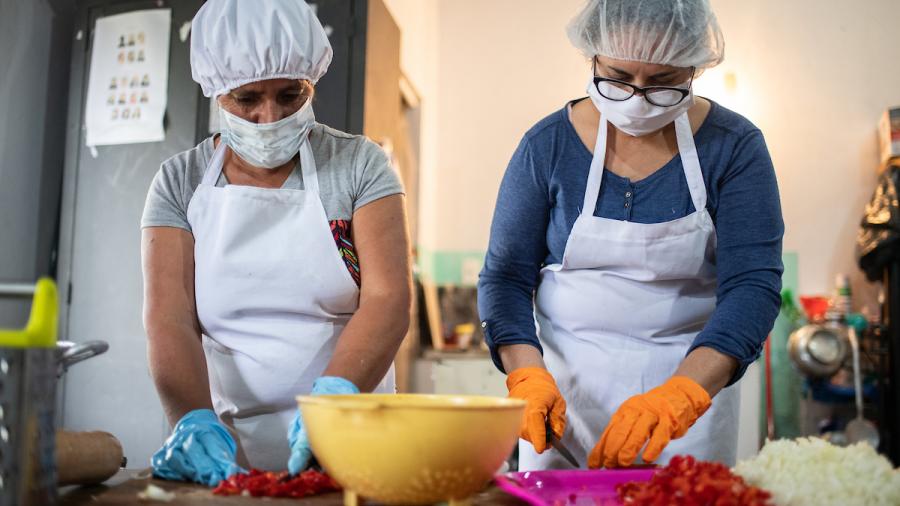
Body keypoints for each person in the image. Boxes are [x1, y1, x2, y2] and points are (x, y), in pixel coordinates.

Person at [478, 0, 783, 471]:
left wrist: (682, 395)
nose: (638, 97)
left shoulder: (734, 146)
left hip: (688, 414)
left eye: (662, 83)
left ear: (694, 69)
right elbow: (505, 278)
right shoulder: (547, 146)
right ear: (592, 57)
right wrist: (525, 375)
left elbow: (753, 288)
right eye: (618, 77)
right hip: (567, 405)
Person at [141, 0, 411, 485]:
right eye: (247, 98)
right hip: (228, 445)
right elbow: (170, 318)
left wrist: (333, 400)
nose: (269, 118)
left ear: (311, 82)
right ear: (217, 90)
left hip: (351, 435)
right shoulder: (179, 182)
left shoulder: (358, 165)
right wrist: (191, 419)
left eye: (290, 95)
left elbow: (387, 299)